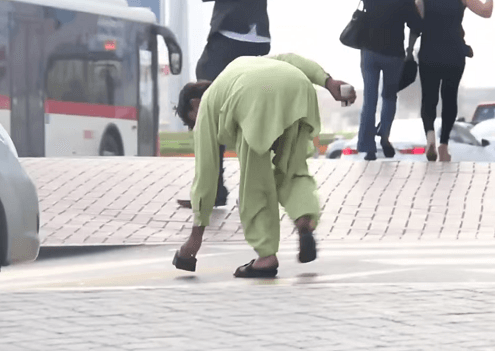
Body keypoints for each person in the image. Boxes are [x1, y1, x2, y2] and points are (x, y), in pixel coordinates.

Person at [171, 53, 356, 277]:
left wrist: (194, 241)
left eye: (191, 121)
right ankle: (304, 220)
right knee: (293, 170)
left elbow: (206, 175)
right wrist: (328, 82)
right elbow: (291, 59)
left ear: (194, 104)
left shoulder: (209, 104)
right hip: (297, 87)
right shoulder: (240, 65)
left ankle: (266, 257)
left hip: (254, 99)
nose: (195, 125)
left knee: (254, 185)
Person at [176, 0, 271, 209]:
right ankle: (252, 193)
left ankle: (212, 191)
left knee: (209, 111)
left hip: (231, 32)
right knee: (247, 115)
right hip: (258, 36)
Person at [411, 0, 492, 161]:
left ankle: (430, 137)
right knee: (450, 97)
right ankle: (444, 145)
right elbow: (485, 12)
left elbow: (415, 22)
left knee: (429, 97)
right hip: (453, 52)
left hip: (429, 51)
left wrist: (409, 50)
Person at [357, 0, 422, 161]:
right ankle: (384, 135)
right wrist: (409, 50)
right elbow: (416, 25)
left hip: (370, 51)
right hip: (394, 54)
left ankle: (369, 148)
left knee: (369, 99)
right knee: (389, 96)